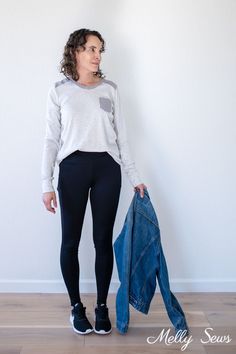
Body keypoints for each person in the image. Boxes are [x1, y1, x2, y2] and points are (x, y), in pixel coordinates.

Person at [41, 28, 147, 335]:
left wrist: (136, 178)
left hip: (106, 169)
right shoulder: (59, 90)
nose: (96, 54)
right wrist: (45, 183)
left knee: (102, 240)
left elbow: (123, 139)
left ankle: (102, 306)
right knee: (70, 241)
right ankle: (76, 307)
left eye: (100, 49)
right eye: (90, 48)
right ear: (75, 51)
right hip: (72, 168)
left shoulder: (110, 89)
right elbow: (50, 140)